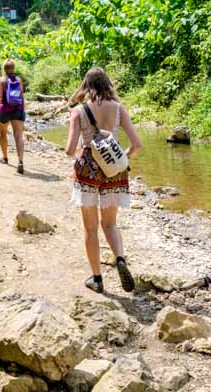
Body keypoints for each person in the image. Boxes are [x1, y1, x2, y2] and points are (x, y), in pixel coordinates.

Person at [65, 67, 142, 294]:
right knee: (109, 223)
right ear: (108, 84)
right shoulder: (119, 109)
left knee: (90, 228)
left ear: (86, 87)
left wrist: (81, 152)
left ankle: (97, 279)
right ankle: (119, 259)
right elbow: (137, 145)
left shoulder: (79, 111)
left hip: (88, 168)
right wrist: (120, 158)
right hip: (114, 169)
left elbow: (70, 149)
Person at [0, 59, 26, 174]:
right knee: (18, 135)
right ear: (13, 68)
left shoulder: (2, 80)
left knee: (3, 133)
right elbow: (21, 96)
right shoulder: (19, 80)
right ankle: (20, 161)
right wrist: (23, 111)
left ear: (4, 68)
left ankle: (5, 157)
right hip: (18, 109)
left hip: (5, 110)